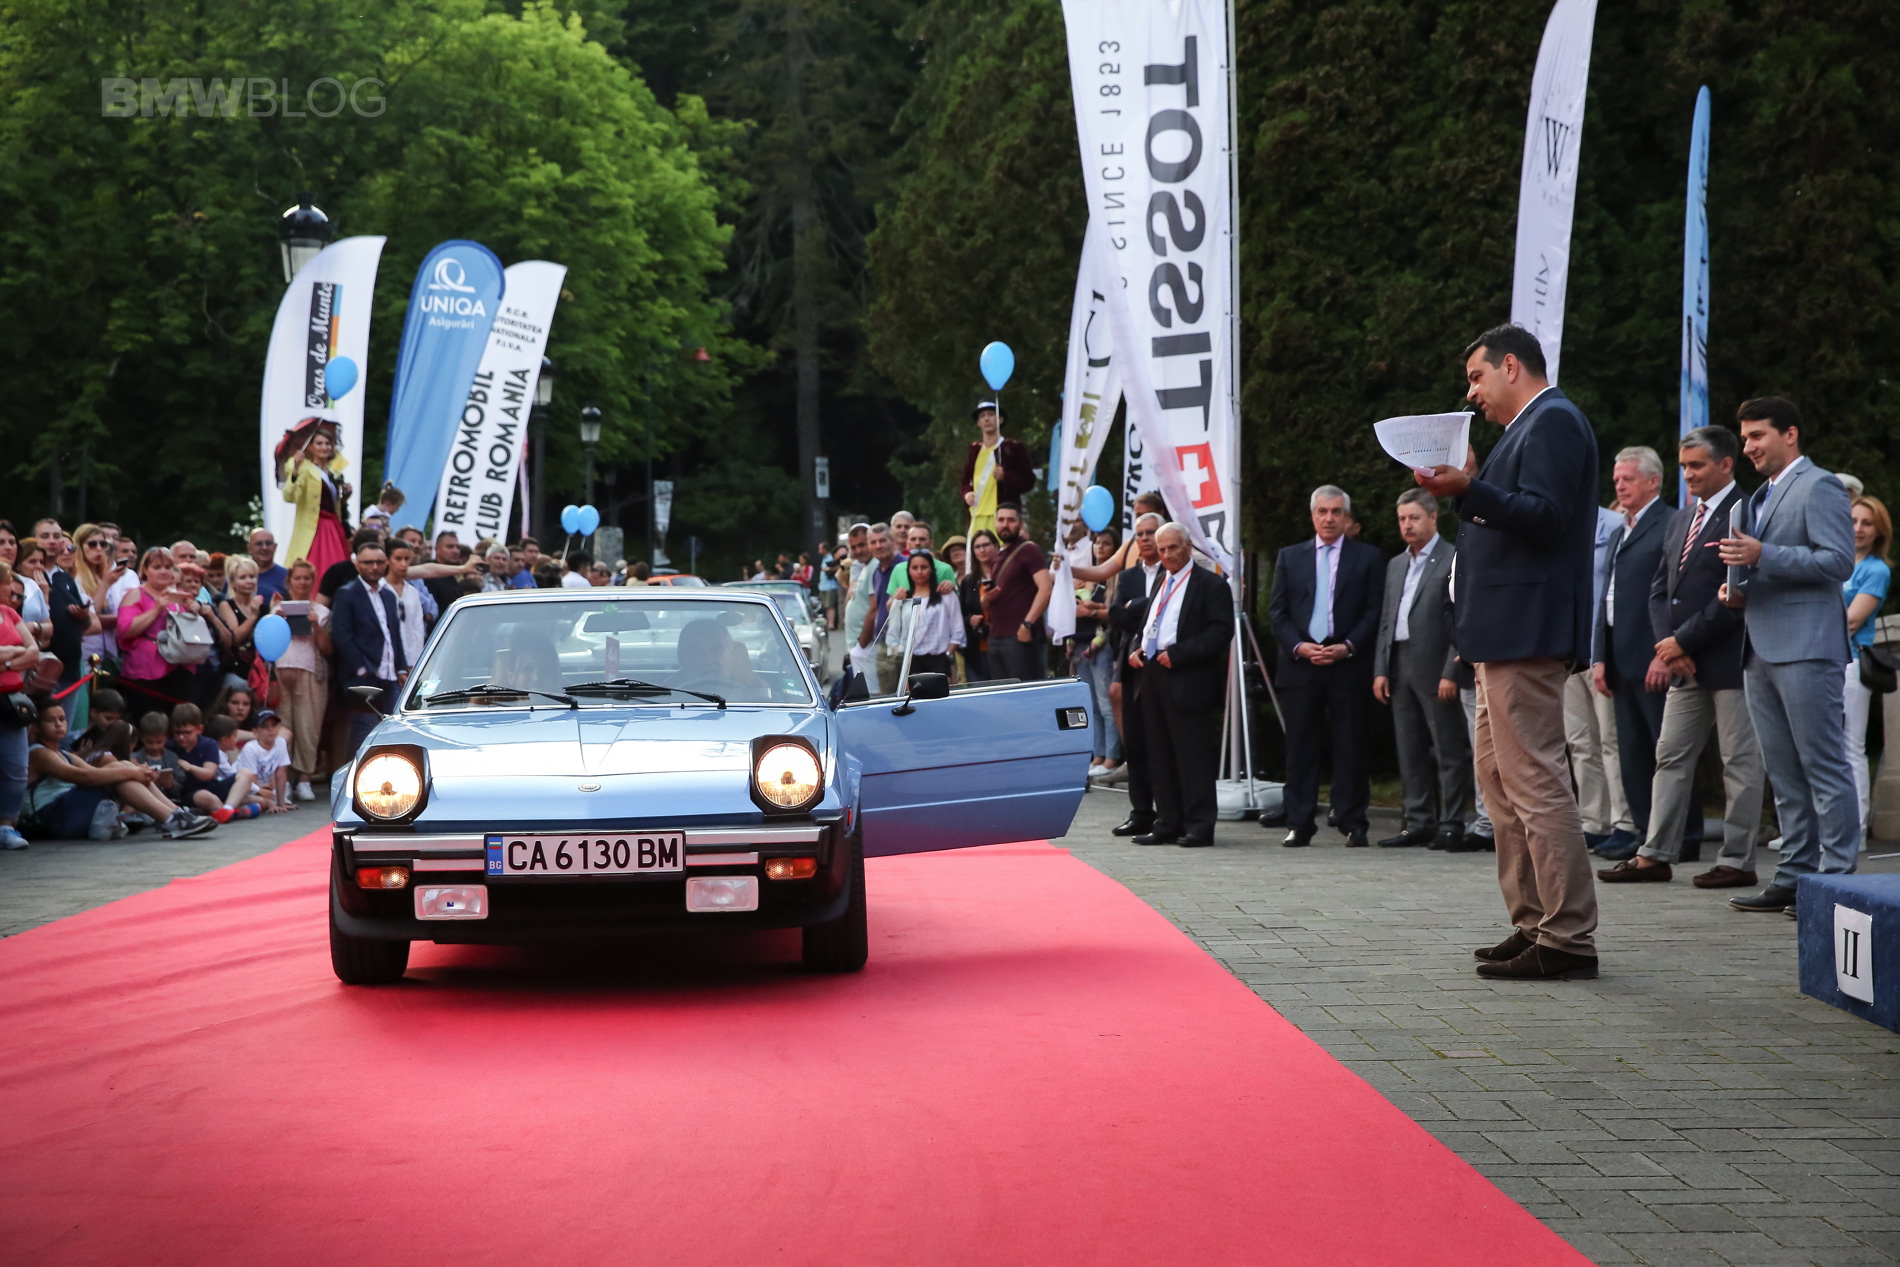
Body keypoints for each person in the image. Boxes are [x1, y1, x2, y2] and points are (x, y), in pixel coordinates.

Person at [1416, 323, 1600, 981]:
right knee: (1499, 785)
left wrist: (1470, 490)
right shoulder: (1528, 428)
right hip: (1500, 635)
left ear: (1511, 365)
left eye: (1477, 377)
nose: (1471, 393)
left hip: (1527, 631)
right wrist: (1473, 486)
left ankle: (1568, 936)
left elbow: (1545, 516)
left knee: (1535, 782)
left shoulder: (1553, 421)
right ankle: (1534, 922)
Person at [1598, 425, 1763, 887]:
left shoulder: (1746, 512)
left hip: (1730, 660)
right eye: (1684, 466)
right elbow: (1659, 590)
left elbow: (1735, 593)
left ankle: (1737, 861)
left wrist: (1683, 642)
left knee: (1739, 763)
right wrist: (1669, 646)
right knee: (1669, 755)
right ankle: (1655, 854)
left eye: (1697, 465)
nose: (1688, 475)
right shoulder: (1682, 518)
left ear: (1726, 464)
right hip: (1682, 664)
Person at [1712, 397, 1859, 912]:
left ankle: (1837, 881)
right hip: (1759, 646)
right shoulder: (1761, 495)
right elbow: (1770, 569)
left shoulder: (1819, 485)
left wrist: (1763, 554)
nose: (1748, 447)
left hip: (1808, 647)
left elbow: (1838, 561)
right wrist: (1740, 589)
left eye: (1758, 436)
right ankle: (1795, 876)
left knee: (1823, 766)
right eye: (1745, 438)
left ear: (1790, 434)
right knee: (1783, 772)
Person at [1267, 485, 1383, 848]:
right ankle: (1299, 822)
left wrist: (1348, 647)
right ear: (1312, 515)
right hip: (1301, 664)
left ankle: (1352, 820)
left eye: (1336, 512)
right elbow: (1277, 612)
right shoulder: (1290, 557)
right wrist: (1299, 646)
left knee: (1351, 745)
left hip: (1347, 662)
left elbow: (1374, 611)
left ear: (1346, 517)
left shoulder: (1368, 558)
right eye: (1322, 511)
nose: (1329, 518)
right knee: (1300, 747)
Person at [1589, 447, 1675, 861]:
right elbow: (1606, 596)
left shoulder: (1670, 523)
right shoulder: (1620, 528)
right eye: (1617, 480)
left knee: (1666, 751)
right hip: (1619, 656)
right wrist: (1599, 656)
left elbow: (1673, 593)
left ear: (1653, 482)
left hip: (1653, 655)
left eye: (1628, 479)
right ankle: (1642, 831)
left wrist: (1666, 652)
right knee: (1632, 752)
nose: (1619, 486)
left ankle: (1679, 834)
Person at [1372, 489, 1469, 849]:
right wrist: (1381, 668)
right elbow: (1387, 618)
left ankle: (1452, 822)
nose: (1407, 525)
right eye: (1402, 519)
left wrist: (1450, 671)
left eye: (1414, 518)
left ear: (1432, 517)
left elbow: (1461, 617)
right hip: (1399, 661)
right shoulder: (1397, 564)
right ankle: (1417, 821)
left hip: (1436, 662)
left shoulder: (1452, 557)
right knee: (1409, 748)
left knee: (1448, 749)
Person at [1126, 523, 1233, 847]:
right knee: (1159, 754)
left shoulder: (1210, 585)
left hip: (1187, 676)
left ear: (1188, 547)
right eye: (1162, 549)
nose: (1167, 554)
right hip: (1152, 674)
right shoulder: (1162, 580)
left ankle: (1199, 825)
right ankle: (1167, 822)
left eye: (1173, 547)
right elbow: (1150, 623)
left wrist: (1181, 654)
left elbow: (1221, 631)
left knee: (1192, 755)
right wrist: (1138, 647)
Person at [24, 700, 211, 840]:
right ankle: (172, 820)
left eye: (62, 719)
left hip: (67, 812)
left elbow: (93, 772)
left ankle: (176, 813)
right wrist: (133, 772)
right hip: (51, 818)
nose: (59, 724)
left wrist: (136, 770)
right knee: (120, 771)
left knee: (121, 767)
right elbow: (84, 776)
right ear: (37, 727)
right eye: (50, 720)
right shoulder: (38, 753)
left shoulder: (64, 754)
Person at [1568, 502, 1636, 852]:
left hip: (1602, 652)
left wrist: (1604, 653)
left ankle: (1624, 821)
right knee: (1580, 742)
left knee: (1612, 741)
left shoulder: (1613, 523)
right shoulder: (1556, 521)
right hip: (1568, 651)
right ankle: (1592, 821)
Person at [1108, 515, 1166, 836]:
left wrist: (1139, 606)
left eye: (1150, 533)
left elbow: (1164, 610)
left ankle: (1168, 811)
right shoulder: (1128, 576)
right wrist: (1144, 607)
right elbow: (1116, 615)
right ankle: (1140, 811)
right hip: (1132, 665)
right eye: (1139, 533)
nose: (1144, 538)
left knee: (1162, 741)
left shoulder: (1172, 573)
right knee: (1135, 740)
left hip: (1164, 665)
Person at [1843, 496, 1892, 841]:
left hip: (1851, 663)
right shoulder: (1836, 563)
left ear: (1879, 531)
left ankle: (1856, 829)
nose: (1858, 528)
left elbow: (1851, 621)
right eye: (1853, 521)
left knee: (1850, 747)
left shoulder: (1876, 570)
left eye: (1867, 523)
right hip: (1823, 663)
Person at [115, 546, 212, 720]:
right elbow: (125, 630)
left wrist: (195, 611)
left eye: (168, 567)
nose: (163, 571)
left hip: (181, 668)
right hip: (145, 672)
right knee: (149, 722)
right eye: (157, 567)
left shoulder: (182, 596)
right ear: (145, 570)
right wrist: (156, 609)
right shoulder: (135, 595)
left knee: (183, 721)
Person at [330, 541, 408, 751]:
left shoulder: (388, 595)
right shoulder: (346, 593)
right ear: (357, 564)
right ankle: (361, 771)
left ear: (386, 563)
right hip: (363, 675)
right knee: (364, 731)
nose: (374, 567)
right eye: (368, 562)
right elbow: (341, 635)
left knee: (395, 729)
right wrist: (361, 667)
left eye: (379, 562)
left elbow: (394, 636)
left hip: (390, 676)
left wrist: (401, 668)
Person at [270, 560, 331, 802]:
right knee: (282, 727)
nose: (303, 582)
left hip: (311, 671)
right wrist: (278, 621)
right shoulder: (276, 609)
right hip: (281, 672)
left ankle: (305, 779)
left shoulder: (322, 612)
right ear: (289, 581)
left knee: (309, 727)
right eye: (298, 578)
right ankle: (283, 781)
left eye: (307, 578)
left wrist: (315, 625)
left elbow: (328, 648)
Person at [1075, 529, 1125, 783]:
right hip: (1080, 643)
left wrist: (1092, 611)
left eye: (1107, 543)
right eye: (1097, 543)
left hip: (1102, 643)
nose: (1101, 547)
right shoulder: (1086, 577)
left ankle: (1112, 758)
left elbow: (1113, 610)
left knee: (1106, 703)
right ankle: (1098, 754)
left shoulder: (1114, 577)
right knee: (1091, 704)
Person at [984, 503, 1052, 682]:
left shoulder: (1030, 550)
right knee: (1001, 694)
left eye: (1011, 520)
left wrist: (1027, 624)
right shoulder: (998, 556)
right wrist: (986, 599)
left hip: (1020, 638)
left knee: (1025, 694)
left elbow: (1045, 589)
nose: (1005, 524)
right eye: (1001, 520)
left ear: (1020, 524)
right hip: (996, 637)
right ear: (995, 523)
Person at [277, 419, 353, 576]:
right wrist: (296, 469)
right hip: (314, 526)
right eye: (319, 443)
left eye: (328, 444)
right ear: (311, 447)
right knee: (314, 565)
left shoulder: (334, 473)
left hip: (333, 526)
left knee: (338, 568)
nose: (324, 447)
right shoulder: (303, 467)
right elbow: (289, 496)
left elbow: (332, 504)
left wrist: (344, 498)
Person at [0, 559, 39, 849]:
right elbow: (23, 648)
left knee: (16, 766)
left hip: (11, 701)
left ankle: (6, 825)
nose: (11, 589)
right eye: (6, 583)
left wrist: (7, 661)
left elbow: (33, 651)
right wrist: (16, 652)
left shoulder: (10, 613)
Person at [882, 551, 967, 679]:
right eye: (915, 568)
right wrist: (900, 654)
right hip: (911, 660)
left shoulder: (946, 596)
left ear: (931, 569)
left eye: (924, 567)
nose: (919, 572)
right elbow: (893, 633)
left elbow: (957, 628)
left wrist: (948, 652)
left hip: (939, 658)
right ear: (909, 571)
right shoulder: (902, 599)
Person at [961, 403, 1034, 545]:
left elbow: (1028, 481)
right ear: (978, 423)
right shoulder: (974, 450)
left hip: (1002, 518)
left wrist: (1006, 477)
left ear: (1000, 420)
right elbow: (965, 480)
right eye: (982, 416)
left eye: (991, 414)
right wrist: (967, 493)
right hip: (977, 515)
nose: (987, 419)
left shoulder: (1012, 447)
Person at [853, 523, 900, 693]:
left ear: (892, 541)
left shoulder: (904, 566)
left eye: (882, 540)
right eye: (873, 542)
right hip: (883, 643)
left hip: (902, 643)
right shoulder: (877, 572)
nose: (878, 546)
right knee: (887, 696)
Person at [213, 556, 266, 692]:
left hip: (260, 673)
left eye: (252, 577)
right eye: (243, 577)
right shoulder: (226, 605)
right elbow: (234, 639)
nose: (249, 581)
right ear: (232, 582)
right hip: (235, 673)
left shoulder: (264, 606)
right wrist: (253, 616)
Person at [957, 529, 998, 683]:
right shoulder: (969, 582)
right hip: (976, 649)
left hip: (1003, 645)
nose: (982, 550)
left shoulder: (1004, 575)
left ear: (996, 546)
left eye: (986, 545)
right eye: (977, 546)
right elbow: (959, 616)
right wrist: (970, 620)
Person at [383, 541, 431, 670]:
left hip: (411, 659)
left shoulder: (413, 592)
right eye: (398, 559)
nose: (403, 564)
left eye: (407, 559)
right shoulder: (380, 589)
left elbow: (418, 629)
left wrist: (416, 662)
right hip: (386, 660)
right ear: (388, 560)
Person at [238, 710, 295, 812]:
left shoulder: (281, 743)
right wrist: (270, 804)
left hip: (263, 788)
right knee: (261, 803)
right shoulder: (250, 748)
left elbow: (281, 773)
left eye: (274, 725)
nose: (270, 729)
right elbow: (252, 779)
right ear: (255, 732)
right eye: (264, 726)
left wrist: (281, 803)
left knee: (264, 802)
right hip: (245, 788)